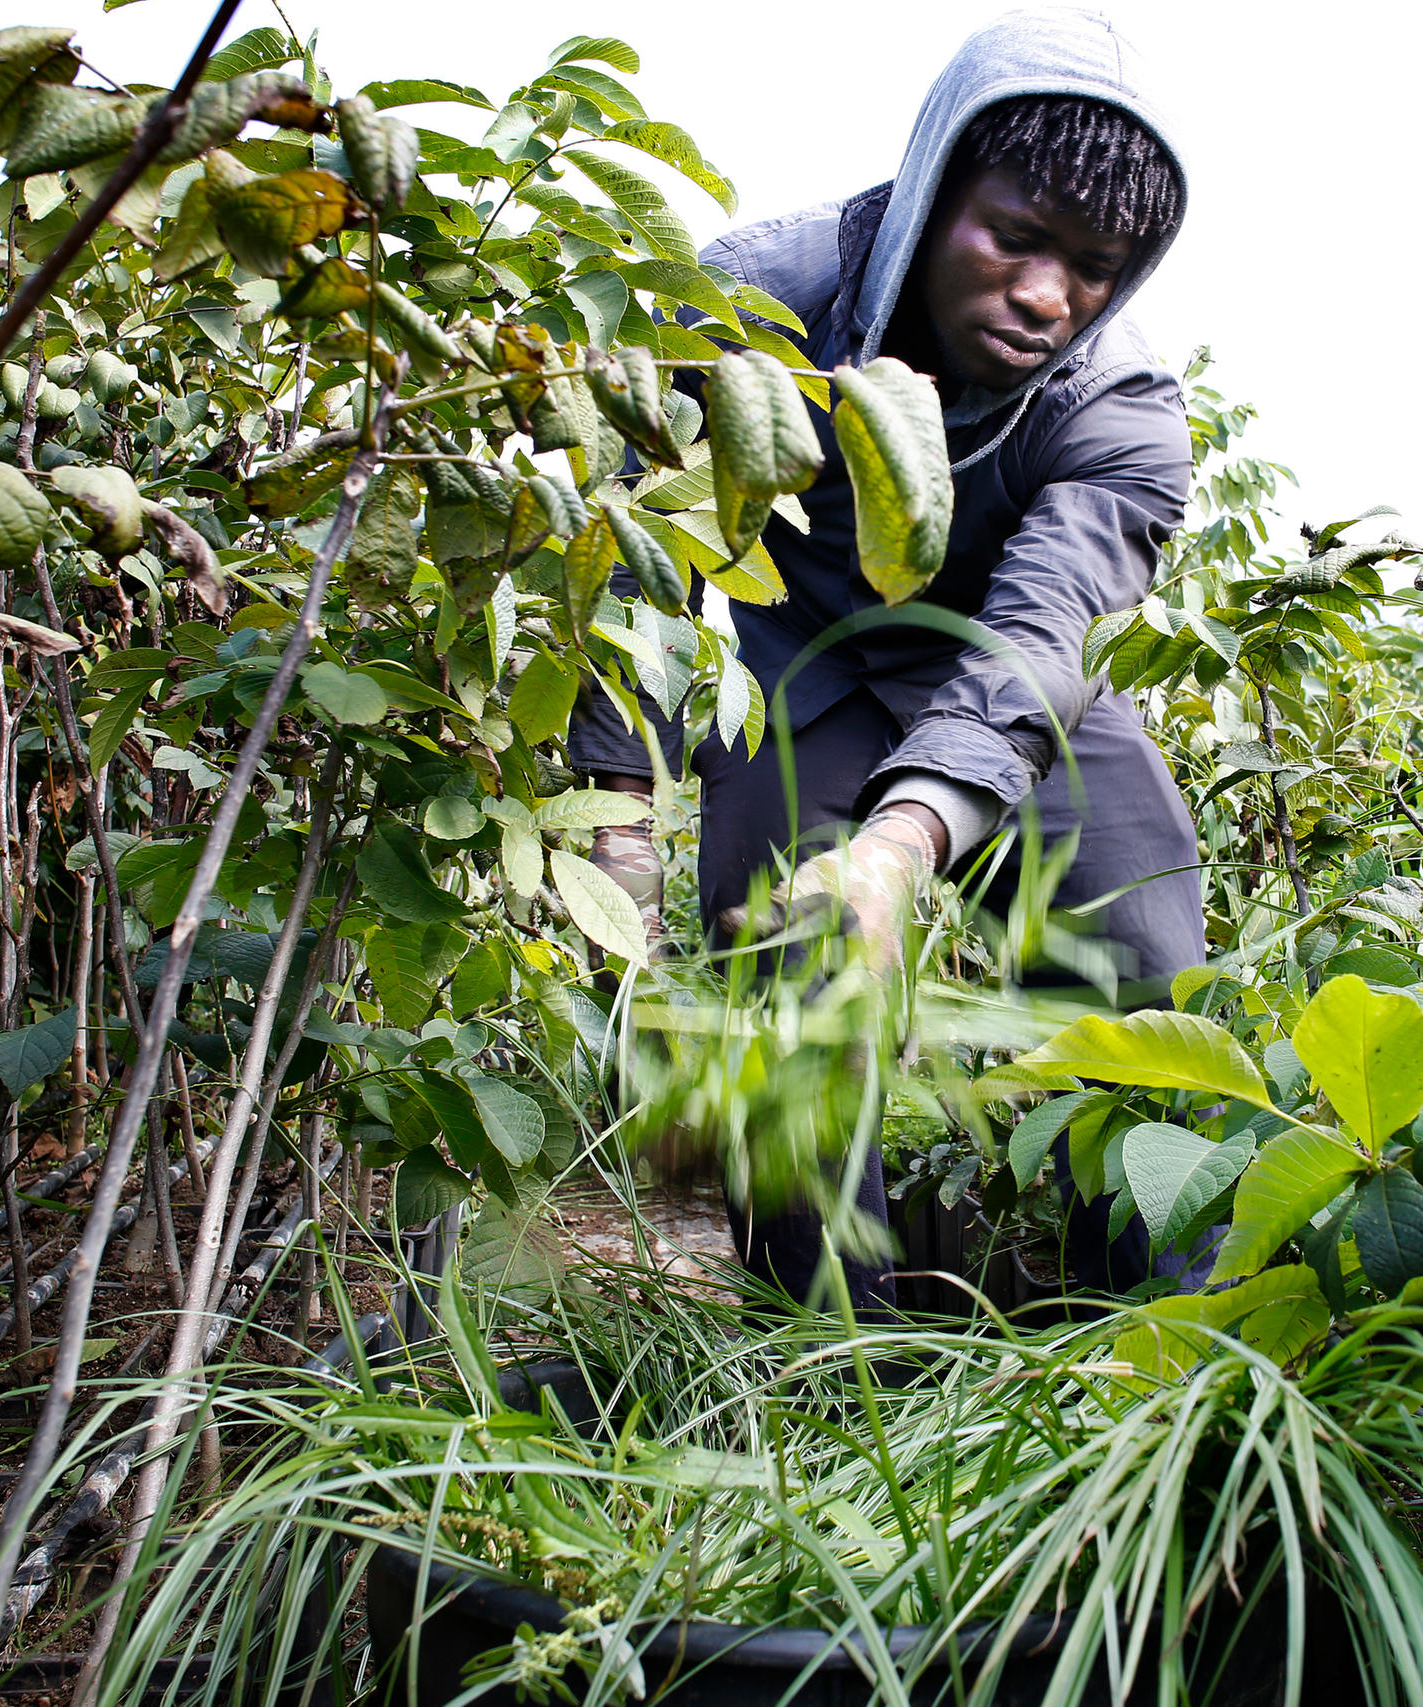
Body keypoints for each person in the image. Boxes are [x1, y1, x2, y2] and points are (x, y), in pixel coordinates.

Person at [567, 8, 1208, 1312]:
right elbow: (636, 553)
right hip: (795, 663)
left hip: (1006, 680)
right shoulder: (750, 305)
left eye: (1093, 267)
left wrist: (904, 844)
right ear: (932, 195)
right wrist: (614, 812)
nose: (1047, 296)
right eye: (1016, 238)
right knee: (783, 969)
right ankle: (838, 1362)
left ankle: (1150, 1352)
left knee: (1140, 955)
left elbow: (1043, 640)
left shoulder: (1120, 409)